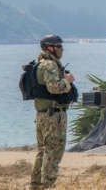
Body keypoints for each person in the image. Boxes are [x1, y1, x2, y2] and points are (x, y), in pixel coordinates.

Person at [29, 34, 75, 190]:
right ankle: (48, 185)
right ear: (49, 47)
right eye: (58, 45)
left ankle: (35, 184)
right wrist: (67, 81)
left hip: (43, 114)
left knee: (43, 151)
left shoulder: (40, 64)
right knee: (53, 151)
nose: (61, 49)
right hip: (53, 115)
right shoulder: (49, 65)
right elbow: (54, 88)